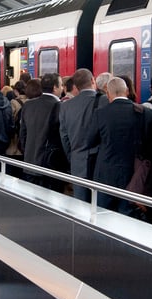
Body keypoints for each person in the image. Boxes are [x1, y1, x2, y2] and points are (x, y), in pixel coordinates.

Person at [88, 77, 152, 215]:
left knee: (103, 216)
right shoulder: (146, 113)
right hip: (135, 176)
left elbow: (90, 141)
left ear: (108, 93)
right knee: (129, 218)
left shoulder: (100, 113)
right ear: (127, 91)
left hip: (106, 175)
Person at [58, 68, 107, 202]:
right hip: (99, 163)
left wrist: (72, 155)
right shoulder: (104, 101)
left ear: (75, 86)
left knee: (80, 205)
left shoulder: (65, 106)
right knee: (100, 205)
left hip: (77, 162)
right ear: (93, 81)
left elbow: (64, 137)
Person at [19, 73, 66, 191]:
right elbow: (63, 137)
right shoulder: (60, 107)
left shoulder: (28, 105)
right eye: (61, 85)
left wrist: (28, 151)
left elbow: (22, 135)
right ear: (55, 88)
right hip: (50, 166)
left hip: (29, 163)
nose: (62, 88)